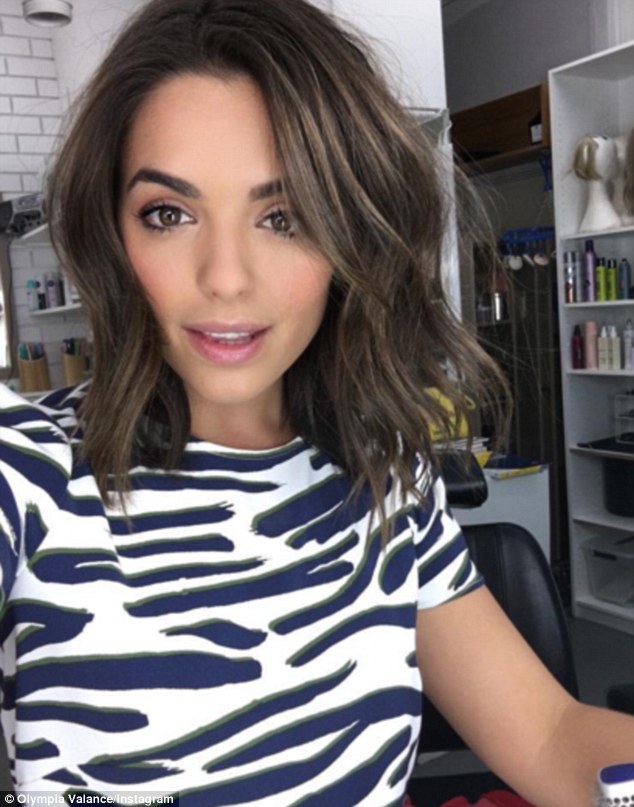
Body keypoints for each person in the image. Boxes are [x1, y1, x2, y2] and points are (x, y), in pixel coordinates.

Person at [0, 1, 633, 805]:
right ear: (112, 235)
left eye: (284, 216)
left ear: (349, 237)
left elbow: (545, 732)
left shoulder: (388, 474)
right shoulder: (26, 472)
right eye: (169, 213)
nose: (225, 278)